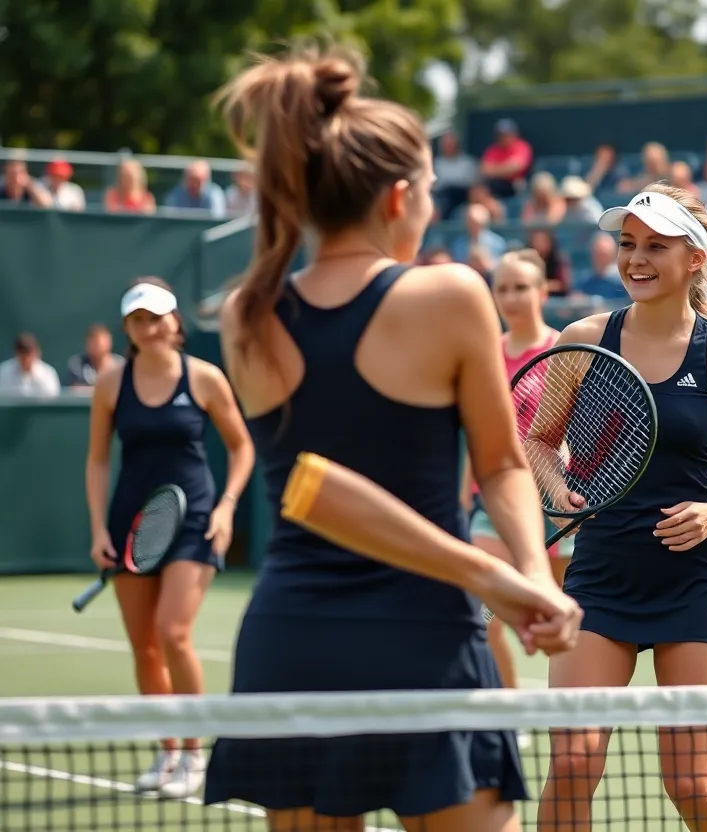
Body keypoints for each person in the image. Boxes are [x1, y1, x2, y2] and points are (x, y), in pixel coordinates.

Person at [200, 45, 581, 832]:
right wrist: (517, 572)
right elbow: (503, 461)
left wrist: (528, 579)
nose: (433, 209)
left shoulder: (245, 315)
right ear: (399, 197)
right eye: (433, 194)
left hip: (290, 641)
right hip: (426, 636)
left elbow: (503, 464)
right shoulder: (449, 293)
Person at [536, 183, 707, 831]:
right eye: (627, 244)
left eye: (657, 245)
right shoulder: (582, 338)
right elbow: (540, 441)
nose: (637, 258)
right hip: (600, 575)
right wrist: (553, 489)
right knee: (572, 763)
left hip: (694, 581)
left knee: (687, 781)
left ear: (695, 259)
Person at [84, 276, 254, 798]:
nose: (150, 328)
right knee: (145, 648)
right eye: (138, 320)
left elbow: (241, 447)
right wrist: (97, 530)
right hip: (130, 524)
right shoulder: (111, 384)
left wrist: (226, 509)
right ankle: (168, 753)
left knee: (173, 632)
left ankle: (196, 756)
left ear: (175, 321)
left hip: (196, 519)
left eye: (157, 317)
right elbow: (97, 459)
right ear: (128, 330)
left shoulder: (204, 378)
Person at [461, 249, 572, 704]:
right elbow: (475, 430)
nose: (511, 297)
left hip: (557, 502)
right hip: (493, 501)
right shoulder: (484, 353)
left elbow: (577, 427)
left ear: (543, 292)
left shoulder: (565, 346)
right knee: (477, 615)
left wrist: (557, 481)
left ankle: (569, 711)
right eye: (502, 288)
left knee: (568, 618)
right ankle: (510, 711)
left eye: (522, 287)